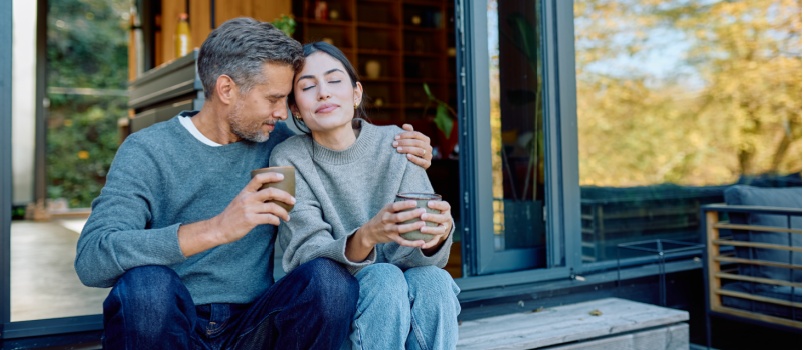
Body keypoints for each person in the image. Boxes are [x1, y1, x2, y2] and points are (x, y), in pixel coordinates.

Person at [74, 18, 434, 349]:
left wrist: (399, 145)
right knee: (146, 287)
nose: (282, 113)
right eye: (274, 99)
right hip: (171, 325)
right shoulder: (147, 150)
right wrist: (217, 229)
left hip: (255, 326)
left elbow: (344, 149)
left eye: (287, 100)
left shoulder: (282, 146)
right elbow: (92, 258)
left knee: (328, 281)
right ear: (226, 89)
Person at [270, 41, 461, 350]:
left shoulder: (399, 143)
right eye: (308, 87)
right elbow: (306, 257)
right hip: (337, 311)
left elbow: (426, 257)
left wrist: (436, 237)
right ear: (295, 109)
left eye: (334, 80)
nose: (323, 93)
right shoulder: (287, 158)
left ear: (356, 93)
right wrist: (368, 235)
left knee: (433, 280)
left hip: (401, 299)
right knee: (383, 278)